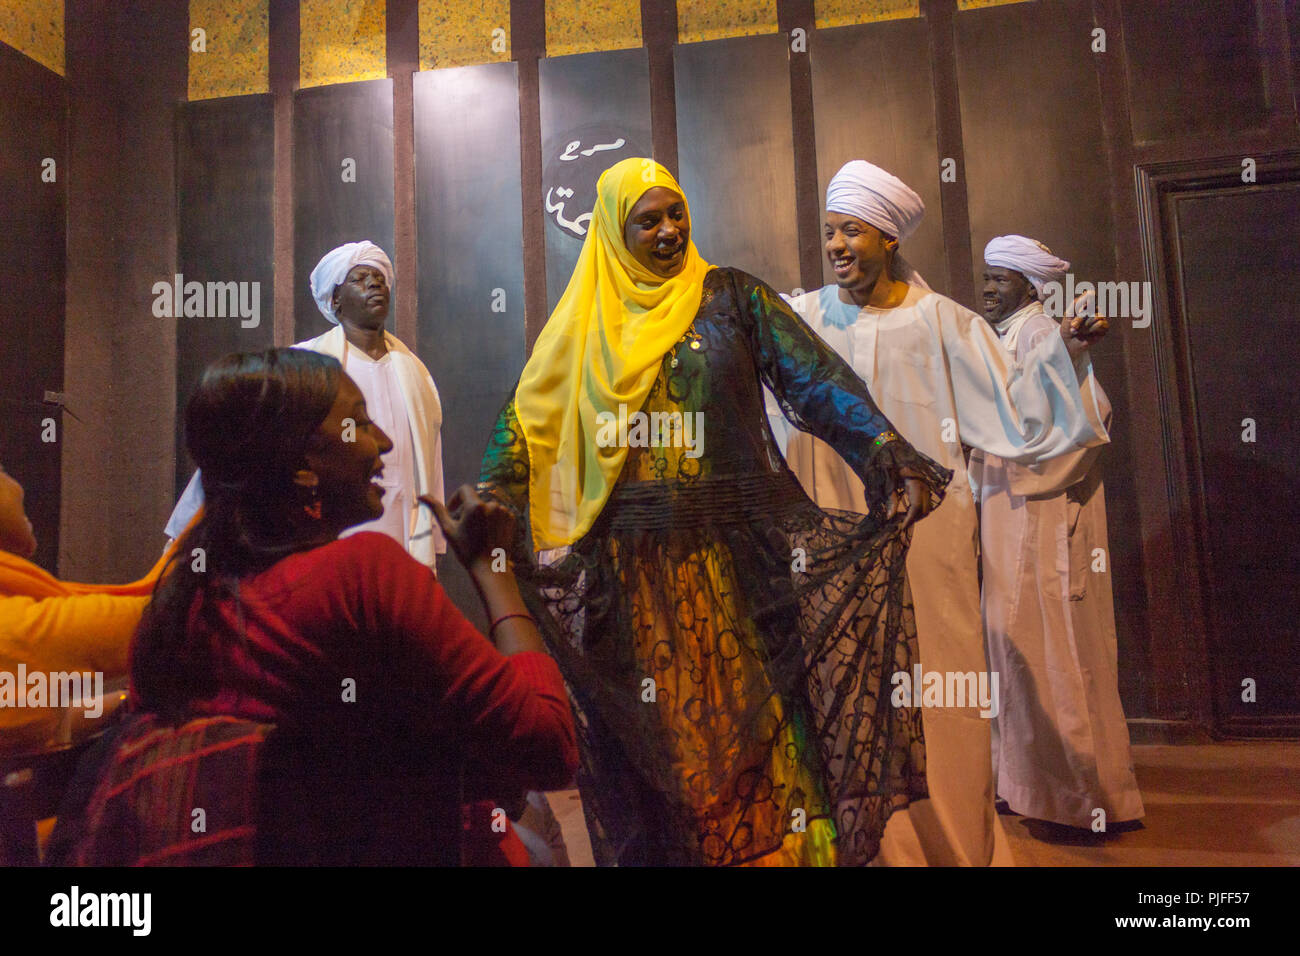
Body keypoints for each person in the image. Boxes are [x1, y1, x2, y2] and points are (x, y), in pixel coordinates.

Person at [478, 157, 951, 866]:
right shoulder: (577, 333)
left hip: (745, 562)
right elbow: (524, 433)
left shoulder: (732, 298)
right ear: (613, 230)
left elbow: (815, 381)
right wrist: (489, 497)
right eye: (649, 219)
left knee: (772, 737)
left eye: (677, 214)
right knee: (665, 753)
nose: (669, 230)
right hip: (633, 580)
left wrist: (885, 452)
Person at [71, 349, 577, 865]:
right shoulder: (363, 576)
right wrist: (494, 571)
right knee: (538, 832)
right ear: (301, 464)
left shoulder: (179, 605)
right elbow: (550, 746)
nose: (385, 441)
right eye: (358, 424)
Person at [769, 161, 1111, 866]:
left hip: (927, 547)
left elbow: (1021, 415)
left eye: (852, 231)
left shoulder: (947, 325)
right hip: (833, 542)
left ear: (888, 238)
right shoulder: (801, 321)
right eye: (829, 231)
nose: (835, 245)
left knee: (939, 691)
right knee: (838, 686)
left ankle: (947, 845)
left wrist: (1068, 359)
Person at [973, 235, 1144, 829]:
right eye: (987, 276)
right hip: (1006, 505)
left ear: (1029, 286)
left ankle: (1072, 795)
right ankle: (1024, 782)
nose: (990, 288)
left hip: (1042, 510)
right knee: (1012, 641)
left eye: (1002, 278)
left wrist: (1067, 350)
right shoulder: (1001, 335)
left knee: (1050, 643)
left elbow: (1078, 414)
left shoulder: (1042, 332)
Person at [165, 241, 446, 568]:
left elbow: (430, 454)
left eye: (379, 278)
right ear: (336, 300)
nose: (374, 284)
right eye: (359, 278)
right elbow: (249, 440)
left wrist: (433, 533)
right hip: (330, 524)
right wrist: (189, 526)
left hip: (402, 525)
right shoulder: (306, 367)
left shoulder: (414, 371)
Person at [1, 461, 173, 757]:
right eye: (2, 472)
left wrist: (123, 702)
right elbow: (170, 613)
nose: (16, 484)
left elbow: (48, 727)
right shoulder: (18, 626)